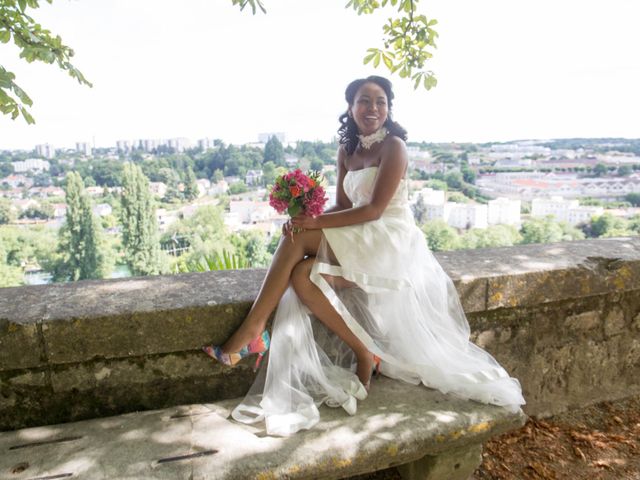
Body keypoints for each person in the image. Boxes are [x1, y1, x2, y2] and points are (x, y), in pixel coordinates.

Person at [203, 75, 525, 436]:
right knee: (302, 274)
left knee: (297, 238)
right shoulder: (346, 151)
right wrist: (306, 216)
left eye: (380, 102)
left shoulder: (394, 147)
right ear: (350, 107)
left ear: (388, 109)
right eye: (364, 101)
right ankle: (362, 351)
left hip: (388, 236)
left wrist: (311, 222)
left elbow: (373, 210)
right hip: (361, 233)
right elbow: (343, 205)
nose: (373, 108)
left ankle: (253, 328)